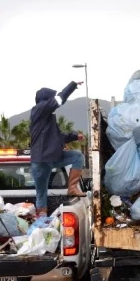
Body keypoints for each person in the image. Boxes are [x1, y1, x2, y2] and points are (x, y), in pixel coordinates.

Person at [29, 81, 86, 217]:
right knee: (78, 157)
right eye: (50, 98)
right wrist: (72, 86)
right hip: (45, 160)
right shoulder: (39, 109)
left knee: (41, 194)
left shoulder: (46, 119)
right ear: (46, 100)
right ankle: (71, 188)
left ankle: (42, 221)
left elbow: (59, 137)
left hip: (46, 160)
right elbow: (59, 100)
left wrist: (75, 136)